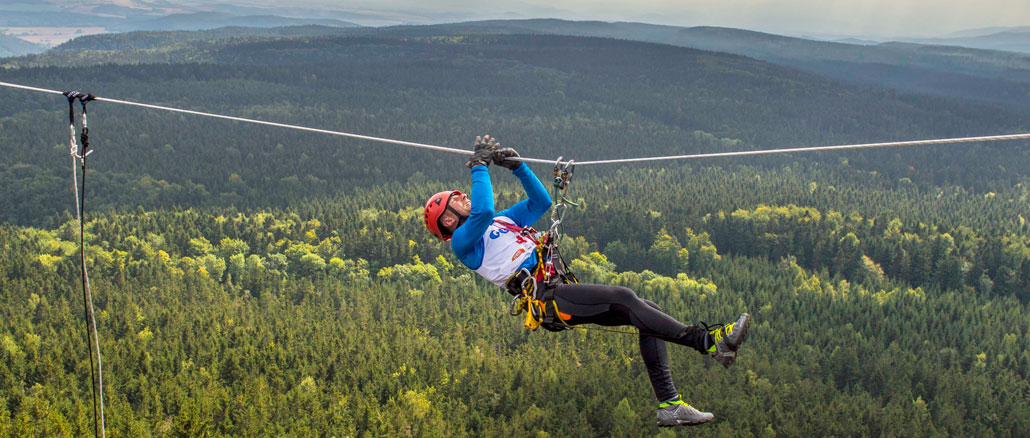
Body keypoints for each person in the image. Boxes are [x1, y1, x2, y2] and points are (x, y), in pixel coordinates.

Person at [423, 135, 751, 427]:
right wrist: (479, 167)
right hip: (546, 299)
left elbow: (541, 204)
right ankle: (709, 342)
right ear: (448, 220)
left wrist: (519, 168)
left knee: (644, 308)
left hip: (556, 289)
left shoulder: (503, 221)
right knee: (624, 297)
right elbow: (481, 211)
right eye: (456, 199)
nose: (463, 196)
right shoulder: (463, 244)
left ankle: (670, 405)